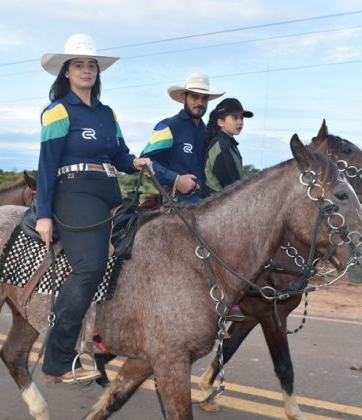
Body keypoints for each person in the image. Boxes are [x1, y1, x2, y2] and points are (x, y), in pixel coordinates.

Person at [35, 33, 152, 384]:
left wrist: (136, 162)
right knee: (90, 266)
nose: (86, 70)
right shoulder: (58, 111)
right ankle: (57, 358)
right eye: (78, 65)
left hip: (108, 191)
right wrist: (44, 214)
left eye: (91, 65)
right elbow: (46, 165)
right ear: (66, 72)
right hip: (74, 191)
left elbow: (120, 155)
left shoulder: (106, 113)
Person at [204, 97, 254, 322]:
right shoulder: (221, 146)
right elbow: (232, 186)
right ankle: (229, 299)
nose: (240, 122)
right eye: (235, 117)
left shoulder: (229, 144)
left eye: (241, 118)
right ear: (221, 121)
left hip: (225, 208)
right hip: (217, 211)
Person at [141, 73, 224, 204]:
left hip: (209, 203)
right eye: (195, 96)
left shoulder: (208, 133)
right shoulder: (168, 127)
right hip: (176, 205)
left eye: (204, 98)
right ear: (183, 98)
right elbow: (145, 161)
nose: (200, 103)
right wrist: (176, 179)